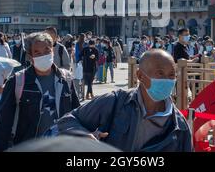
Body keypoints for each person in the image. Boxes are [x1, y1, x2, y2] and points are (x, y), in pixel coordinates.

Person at [57, 49, 192, 152]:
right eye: (160, 73)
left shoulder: (179, 126)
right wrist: (85, 136)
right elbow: (67, 120)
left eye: (171, 75)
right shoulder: (115, 102)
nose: (167, 80)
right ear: (140, 75)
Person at [0, 32, 80, 152]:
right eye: (37, 53)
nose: (43, 55)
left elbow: (77, 113)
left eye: (47, 51)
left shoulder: (66, 79)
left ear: (53, 52)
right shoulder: (17, 81)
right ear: (30, 56)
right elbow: (2, 123)